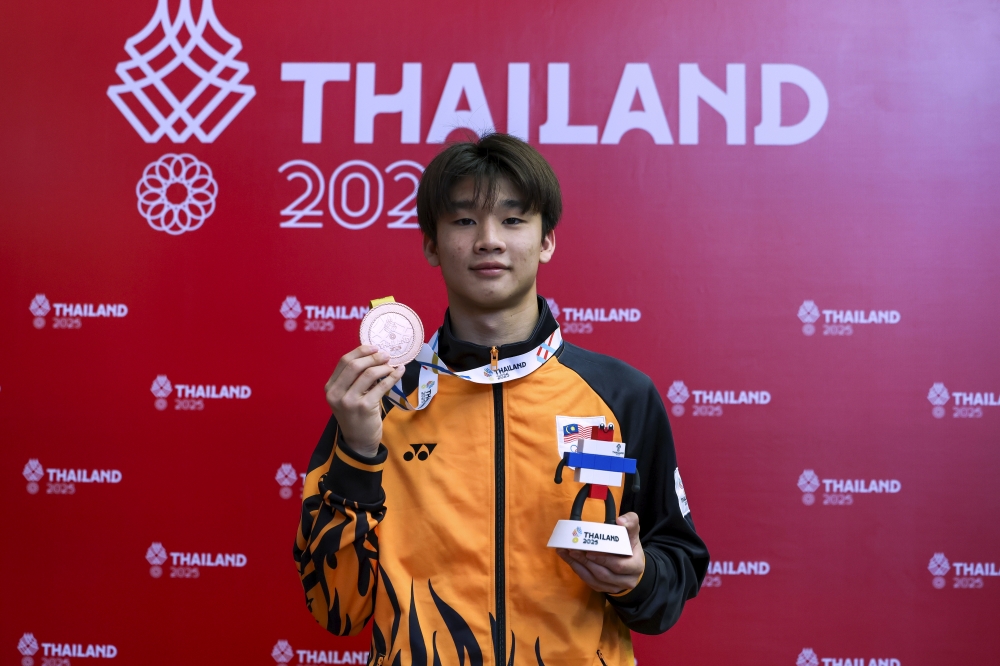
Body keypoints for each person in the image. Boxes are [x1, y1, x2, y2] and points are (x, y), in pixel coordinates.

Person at [294, 133, 708, 666]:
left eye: (513, 220)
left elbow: (673, 577)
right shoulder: (380, 398)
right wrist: (356, 451)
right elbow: (336, 609)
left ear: (547, 241)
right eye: (464, 220)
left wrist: (638, 576)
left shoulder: (621, 394)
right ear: (430, 244)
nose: (489, 240)